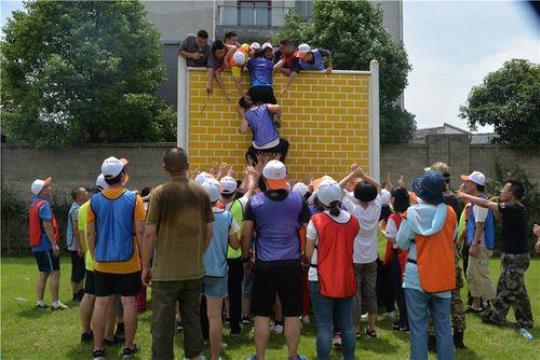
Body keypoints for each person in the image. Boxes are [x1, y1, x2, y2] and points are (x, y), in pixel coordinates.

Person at [141, 147, 214, 360]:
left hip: (166, 271)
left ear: (164, 168)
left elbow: (149, 233)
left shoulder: (159, 193)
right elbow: (210, 229)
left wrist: (146, 265)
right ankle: (195, 356)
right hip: (193, 269)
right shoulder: (201, 193)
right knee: (192, 318)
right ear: (188, 166)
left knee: (163, 324)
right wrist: (200, 251)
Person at [241, 160, 310, 360]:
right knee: (291, 313)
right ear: (284, 177)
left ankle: (260, 357)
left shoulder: (255, 202)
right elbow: (308, 229)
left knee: (262, 313)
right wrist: (306, 255)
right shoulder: (298, 200)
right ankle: (293, 355)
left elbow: (246, 233)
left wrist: (246, 257)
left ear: (265, 179)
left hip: (264, 264)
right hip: (291, 263)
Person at [87, 157, 145, 359]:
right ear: (122, 175)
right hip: (128, 263)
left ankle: (98, 349)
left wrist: (95, 257)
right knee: (129, 303)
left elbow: (90, 234)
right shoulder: (134, 199)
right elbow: (140, 232)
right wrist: (145, 262)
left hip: (102, 262)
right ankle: (129, 347)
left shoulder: (93, 200)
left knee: (101, 304)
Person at [396, 170, 458, 360]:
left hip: (416, 274)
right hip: (442, 273)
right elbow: (452, 238)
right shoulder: (450, 213)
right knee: (443, 326)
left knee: (418, 328)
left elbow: (402, 243)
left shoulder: (410, 214)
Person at [457, 180, 534, 329]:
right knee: (509, 287)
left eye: (504, 190)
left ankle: (514, 319)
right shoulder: (514, 208)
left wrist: (465, 196)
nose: (501, 192)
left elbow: (485, 204)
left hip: (516, 257)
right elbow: (498, 215)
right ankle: (500, 316)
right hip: (512, 255)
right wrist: (494, 205)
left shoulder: (513, 207)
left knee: (513, 289)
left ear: (511, 194)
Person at [306, 179, 359, 360]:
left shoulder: (316, 220)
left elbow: (307, 252)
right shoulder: (353, 221)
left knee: (324, 325)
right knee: (346, 324)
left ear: (320, 200)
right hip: (345, 275)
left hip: (319, 276)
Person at [426, 162, 466, 350]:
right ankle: (458, 337)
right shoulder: (455, 201)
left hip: (436, 253)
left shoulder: (433, 200)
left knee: (434, 295)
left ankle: (432, 340)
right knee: (455, 296)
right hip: (452, 252)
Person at [338, 166, 382, 338]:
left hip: (354, 256)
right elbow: (378, 187)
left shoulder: (353, 209)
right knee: (371, 293)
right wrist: (364, 175)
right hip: (371, 256)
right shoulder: (377, 205)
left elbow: (337, 188)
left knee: (355, 294)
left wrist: (353, 175)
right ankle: (371, 327)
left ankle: (355, 328)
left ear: (356, 195)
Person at [200, 178, 241, 360]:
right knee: (215, 316)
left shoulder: (195, 216)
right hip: (218, 271)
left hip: (195, 271)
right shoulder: (227, 217)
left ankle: (194, 354)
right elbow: (235, 245)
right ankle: (215, 356)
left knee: (193, 314)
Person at [220, 169, 257, 335]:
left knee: (215, 293)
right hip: (235, 257)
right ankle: (235, 326)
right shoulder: (239, 204)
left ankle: (214, 324)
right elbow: (249, 191)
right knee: (235, 292)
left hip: (218, 257)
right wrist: (252, 176)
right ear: (235, 191)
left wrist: (220, 174)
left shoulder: (214, 206)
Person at [29, 177, 68, 310]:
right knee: (55, 272)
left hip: (37, 244)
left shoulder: (34, 203)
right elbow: (47, 225)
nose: (49, 188)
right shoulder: (44, 205)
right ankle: (55, 303)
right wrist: (54, 244)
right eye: (47, 187)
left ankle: (40, 302)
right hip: (46, 244)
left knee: (44, 273)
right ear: (42, 191)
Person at [460, 171, 497, 312]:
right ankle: (476, 305)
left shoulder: (480, 201)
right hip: (476, 241)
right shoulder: (477, 200)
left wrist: (474, 244)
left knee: (482, 275)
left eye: (468, 182)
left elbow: (480, 225)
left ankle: (497, 308)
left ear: (474, 185)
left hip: (480, 243)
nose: (465, 184)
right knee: (471, 274)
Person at [79, 175, 109, 343]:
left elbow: (84, 235)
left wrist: (87, 254)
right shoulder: (109, 205)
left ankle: (86, 331)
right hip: (107, 258)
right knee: (107, 300)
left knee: (89, 295)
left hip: (91, 258)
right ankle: (106, 335)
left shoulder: (83, 208)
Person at [380, 185, 410, 332]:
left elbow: (392, 238)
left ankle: (405, 322)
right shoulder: (410, 213)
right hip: (410, 255)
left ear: (394, 199)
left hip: (398, 255)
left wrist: (381, 230)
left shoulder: (394, 217)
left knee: (399, 289)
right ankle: (408, 319)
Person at [239, 98, 289, 164]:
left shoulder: (247, 115)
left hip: (259, 147)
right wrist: (279, 115)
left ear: (243, 108)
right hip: (274, 144)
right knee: (285, 143)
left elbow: (243, 130)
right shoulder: (265, 107)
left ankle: (252, 167)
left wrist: (243, 116)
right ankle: (279, 162)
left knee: (249, 154)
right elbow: (277, 107)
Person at [67, 187, 89, 302]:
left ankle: (80, 290)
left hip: (78, 244)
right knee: (77, 269)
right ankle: (76, 293)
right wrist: (80, 246)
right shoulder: (76, 210)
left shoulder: (79, 208)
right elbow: (76, 230)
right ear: (79, 196)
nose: (87, 193)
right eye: (84, 192)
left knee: (80, 269)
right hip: (76, 245)